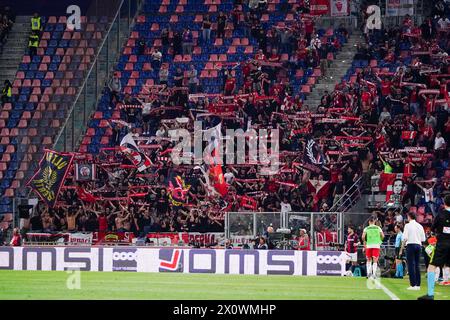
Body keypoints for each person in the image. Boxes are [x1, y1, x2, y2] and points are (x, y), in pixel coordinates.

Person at [418, 195, 450, 299]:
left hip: (442, 244)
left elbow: (432, 228)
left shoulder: (440, 215)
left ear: (444, 203)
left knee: (431, 267)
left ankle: (430, 294)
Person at [401, 211, 426, 290]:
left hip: (410, 245)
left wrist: (402, 247)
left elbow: (404, 237)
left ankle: (413, 285)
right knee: (417, 265)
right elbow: (423, 239)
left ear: (409, 217)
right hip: (418, 245)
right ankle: (418, 285)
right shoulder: (420, 226)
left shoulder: (407, 225)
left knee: (411, 265)